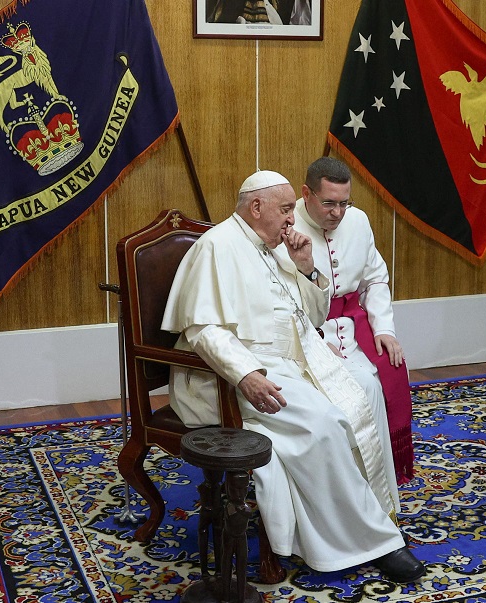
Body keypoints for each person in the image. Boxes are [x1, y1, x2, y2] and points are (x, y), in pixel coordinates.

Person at [160, 170, 425, 582]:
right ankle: (368, 543)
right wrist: (245, 373)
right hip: (229, 377)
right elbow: (203, 330)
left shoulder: (274, 247)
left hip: (289, 361)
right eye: (285, 210)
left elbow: (312, 317)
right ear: (256, 207)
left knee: (361, 393)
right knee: (325, 425)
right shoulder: (218, 246)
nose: (291, 219)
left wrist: (305, 269)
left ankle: (377, 516)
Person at [291, 157, 414, 484]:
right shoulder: (287, 228)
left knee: (389, 369)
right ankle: (346, 482)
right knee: (361, 390)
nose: (338, 213)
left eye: (345, 203)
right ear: (306, 193)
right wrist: (314, 340)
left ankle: (379, 484)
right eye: (329, 203)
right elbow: (282, 299)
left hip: (354, 325)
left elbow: (375, 279)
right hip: (311, 331)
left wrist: (384, 328)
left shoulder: (358, 221)